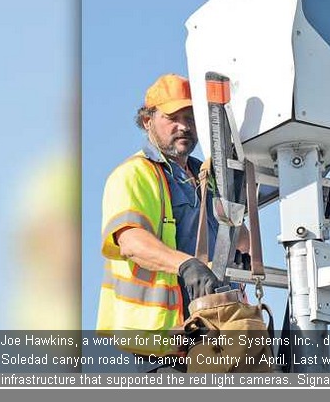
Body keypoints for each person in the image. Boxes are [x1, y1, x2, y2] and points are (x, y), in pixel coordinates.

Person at [96, 73, 242, 371]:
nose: (184, 126)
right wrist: (186, 264)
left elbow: (237, 236)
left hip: (215, 338)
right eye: (173, 117)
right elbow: (131, 242)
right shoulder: (134, 174)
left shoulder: (207, 178)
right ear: (147, 121)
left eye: (190, 117)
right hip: (163, 348)